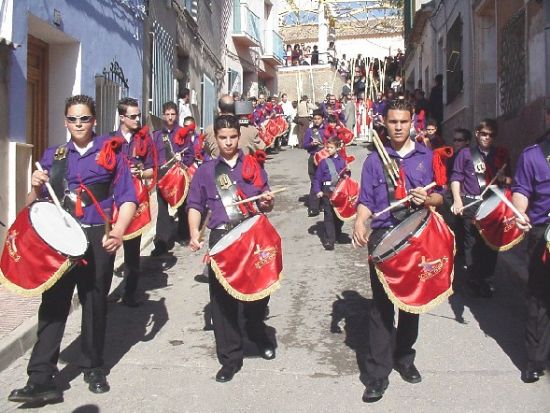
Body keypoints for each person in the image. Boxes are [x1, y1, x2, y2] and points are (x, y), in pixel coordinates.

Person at [8, 95, 137, 404]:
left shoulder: (110, 153)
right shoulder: (55, 155)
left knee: (94, 304)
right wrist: (36, 185)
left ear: (94, 121)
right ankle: (41, 379)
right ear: (65, 121)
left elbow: (128, 196)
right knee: (52, 306)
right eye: (73, 119)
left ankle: (93, 367)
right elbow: (32, 204)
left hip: (96, 237)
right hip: (61, 241)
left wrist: (118, 233)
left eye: (85, 119)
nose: (79, 124)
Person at [352, 99, 444, 403]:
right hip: (383, 239)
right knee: (380, 307)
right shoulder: (374, 161)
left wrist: (428, 200)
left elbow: (441, 196)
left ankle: (404, 357)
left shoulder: (425, 157)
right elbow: (366, 200)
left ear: (412, 123)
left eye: (404, 122)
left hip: (416, 239)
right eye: (393, 122)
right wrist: (359, 221)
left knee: (410, 304)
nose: (398, 127)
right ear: (385, 123)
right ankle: (378, 375)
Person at [187, 115, 276, 383]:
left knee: (259, 293)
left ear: (239, 137)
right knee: (222, 300)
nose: (228, 143)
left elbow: (265, 201)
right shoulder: (206, 170)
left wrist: (268, 202)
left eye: (233, 137)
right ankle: (230, 357)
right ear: (216, 138)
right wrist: (193, 233)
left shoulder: (253, 166)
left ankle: (256, 332)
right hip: (222, 238)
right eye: (223, 138)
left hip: (252, 235)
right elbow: (194, 204)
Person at [450, 119, 511, 297]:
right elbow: (456, 178)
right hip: (471, 203)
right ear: (476, 133)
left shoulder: (501, 154)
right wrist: (457, 200)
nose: (487, 137)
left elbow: (510, 181)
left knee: (492, 244)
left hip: (492, 205)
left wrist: (502, 178)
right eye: (484, 133)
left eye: (491, 135)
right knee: (472, 242)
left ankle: (486, 277)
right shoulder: (466, 154)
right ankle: (473, 276)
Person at [512, 107, 550, 383]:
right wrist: (519, 211)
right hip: (542, 233)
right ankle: (536, 359)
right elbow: (521, 191)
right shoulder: (533, 155)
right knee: (539, 297)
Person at [113, 97, 156, 307]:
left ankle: (130, 293)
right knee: (108, 249)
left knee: (132, 251)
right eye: (132, 116)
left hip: (136, 199)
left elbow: (151, 169)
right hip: (113, 201)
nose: (137, 119)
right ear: (122, 117)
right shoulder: (109, 140)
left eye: (138, 115)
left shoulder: (145, 140)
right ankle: (101, 293)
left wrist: (141, 172)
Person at [151, 101, 195, 256]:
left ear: (177, 115)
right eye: (167, 114)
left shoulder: (183, 133)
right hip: (163, 177)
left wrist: (182, 163)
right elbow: (152, 156)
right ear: (163, 115)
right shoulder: (157, 135)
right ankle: (161, 242)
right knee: (162, 210)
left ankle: (184, 234)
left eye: (173, 114)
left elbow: (191, 155)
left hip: (178, 176)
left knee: (182, 206)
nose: (170, 117)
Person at [313, 136, 347, 250]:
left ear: (337, 148)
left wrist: (347, 174)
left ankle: (337, 233)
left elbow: (346, 177)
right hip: (327, 190)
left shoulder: (342, 162)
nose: (328, 149)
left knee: (339, 216)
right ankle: (329, 241)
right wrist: (318, 190)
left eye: (331, 147)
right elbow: (317, 178)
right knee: (328, 216)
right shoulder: (323, 162)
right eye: (328, 147)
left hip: (339, 190)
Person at [304, 109, 326, 217]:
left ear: (323, 119)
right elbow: (304, 145)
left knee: (325, 182)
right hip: (314, 158)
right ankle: (313, 207)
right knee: (314, 182)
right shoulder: (310, 131)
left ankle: (323, 204)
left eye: (319, 119)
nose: (317, 121)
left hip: (326, 159)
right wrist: (311, 144)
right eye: (315, 119)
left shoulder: (327, 130)